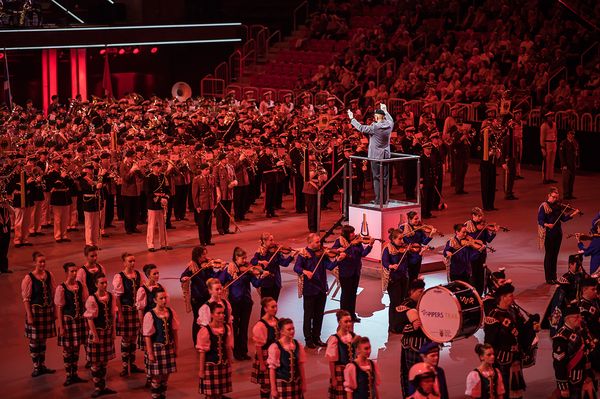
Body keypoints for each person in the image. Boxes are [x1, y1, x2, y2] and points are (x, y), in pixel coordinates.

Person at [294, 233, 345, 348]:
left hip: (321, 288)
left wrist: (338, 259)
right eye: (317, 242)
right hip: (310, 289)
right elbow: (296, 267)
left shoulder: (322, 253)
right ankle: (308, 339)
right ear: (310, 242)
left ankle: (317, 337)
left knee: (319, 315)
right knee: (308, 315)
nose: (319, 244)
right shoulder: (303, 254)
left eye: (319, 241)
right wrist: (305, 271)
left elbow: (330, 266)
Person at [219, 246, 264, 360]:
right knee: (235, 327)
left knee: (244, 327)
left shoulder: (248, 270)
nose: (245, 261)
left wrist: (262, 277)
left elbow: (256, 284)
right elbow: (220, 281)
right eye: (242, 258)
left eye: (245, 258)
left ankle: (244, 351)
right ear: (236, 257)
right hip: (234, 302)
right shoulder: (229, 269)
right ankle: (236, 352)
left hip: (246, 302)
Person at [483, 283, 526, 399]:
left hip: (516, 358)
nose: (513, 298)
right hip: (502, 360)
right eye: (510, 296)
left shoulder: (513, 311)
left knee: (516, 391)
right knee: (503, 390)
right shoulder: (493, 316)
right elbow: (489, 342)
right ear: (502, 298)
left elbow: (521, 329)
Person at [348, 103, 393, 205]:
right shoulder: (390, 124)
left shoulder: (375, 127)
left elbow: (361, 128)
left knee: (377, 178)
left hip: (376, 156)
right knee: (385, 178)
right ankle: (385, 199)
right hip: (386, 155)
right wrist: (385, 111)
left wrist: (352, 119)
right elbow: (390, 119)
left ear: (376, 117)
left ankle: (378, 200)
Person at [552, 301, 597, 399]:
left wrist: (589, 374)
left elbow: (588, 352)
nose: (580, 319)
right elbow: (559, 364)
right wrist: (563, 387)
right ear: (568, 319)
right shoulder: (561, 337)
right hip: (571, 380)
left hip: (584, 377)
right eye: (577, 317)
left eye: (580, 317)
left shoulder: (580, 331)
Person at [22, 251, 56, 377]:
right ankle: (36, 366)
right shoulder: (29, 278)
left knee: (43, 340)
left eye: (44, 261)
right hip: (35, 312)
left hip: (47, 311)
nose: (42, 264)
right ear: (35, 263)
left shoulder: (49, 275)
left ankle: (42, 364)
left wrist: (54, 311)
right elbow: (26, 299)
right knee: (34, 340)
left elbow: (53, 294)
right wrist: (29, 315)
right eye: (40, 262)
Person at [537, 187, 580, 284]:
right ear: (549, 195)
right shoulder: (544, 206)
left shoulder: (557, 206)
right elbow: (540, 220)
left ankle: (554, 276)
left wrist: (574, 214)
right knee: (549, 255)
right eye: (554, 197)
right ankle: (548, 278)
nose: (555, 200)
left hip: (557, 234)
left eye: (557, 198)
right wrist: (547, 224)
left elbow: (563, 219)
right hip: (549, 234)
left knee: (555, 255)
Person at [84, 273, 117, 398]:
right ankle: (98, 387)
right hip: (97, 332)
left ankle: (103, 386)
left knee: (104, 361)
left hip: (107, 332)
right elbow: (90, 319)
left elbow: (113, 315)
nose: (104, 285)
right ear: (96, 284)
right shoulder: (92, 299)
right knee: (95, 362)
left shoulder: (111, 297)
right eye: (101, 283)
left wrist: (113, 331)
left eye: (105, 282)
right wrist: (94, 334)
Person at [181, 246, 222, 344]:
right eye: (203, 254)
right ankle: (197, 341)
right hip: (197, 297)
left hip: (206, 296)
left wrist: (217, 269)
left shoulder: (207, 264)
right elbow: (183, 276)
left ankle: (207, 339)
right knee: (197, 319)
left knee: (208, 317)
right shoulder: (192, 266)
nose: (205, 256)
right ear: (198, 256)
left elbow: (212, 276)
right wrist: (184, 278)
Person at [55, 262, 88, 386]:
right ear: (66, 273)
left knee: (77, 348)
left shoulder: (81, 285)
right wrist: (61, 326)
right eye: (72, 271)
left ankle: (75, 374)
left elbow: (85, 302)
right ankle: (69, 375)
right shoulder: (62, 288)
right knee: (68, 350)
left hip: (79, 320)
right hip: (68, 321)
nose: (74, 273)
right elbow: (59, 307)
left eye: (75, 271)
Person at [331, 226, 373, 322]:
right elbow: (334, 251)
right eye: (351, 233)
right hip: (345, 272)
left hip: (355, 271)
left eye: (353, 232)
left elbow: (362, 254)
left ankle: (352, 315)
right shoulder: (339, 241)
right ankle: (343, 317)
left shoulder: (357, 242)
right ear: (346, 234)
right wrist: (350, 245)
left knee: (353, 294)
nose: (354, 234)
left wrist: (370, 245)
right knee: (346, 295)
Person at [113, 252, 145, 376]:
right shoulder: (120, 277)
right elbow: (117, 297)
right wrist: (120, 313)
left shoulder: (138, 275)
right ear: (124, 262)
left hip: (135, 310)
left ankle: (132, 363)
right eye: (130, 261)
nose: (132, 263)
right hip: (125, 311)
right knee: (126, 338)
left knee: (134, 338)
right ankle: (125, 366)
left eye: (133, 261)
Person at [143, 288, 179, 399]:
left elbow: (174, 331)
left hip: (168, 348)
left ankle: (162, 395)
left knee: (166, 375)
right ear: (155, 300)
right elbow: (148, 336)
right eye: (161, 298)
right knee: (156, 377)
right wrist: (150, 353)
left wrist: (176, 348)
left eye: (165, 298)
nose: (164, 300)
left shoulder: (170, 312)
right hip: (157, 348)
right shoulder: (150, 315)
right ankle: (156, 396)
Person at [398, 279, 430, 397]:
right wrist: (412, 327)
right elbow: (397, 326)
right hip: (413, 346)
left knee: (427, 376)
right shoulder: (405, 305)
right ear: (412, 291)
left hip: (427, 345)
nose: (422, 294)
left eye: (423, 291)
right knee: (413, 376)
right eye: (420, 291)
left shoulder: (426, 303)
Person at [197, 302, 234, 399]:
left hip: (223, 364)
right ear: (212, 314)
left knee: (219, 392)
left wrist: (230, 361)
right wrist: (201, 370)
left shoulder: (226, 328)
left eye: (223, 313)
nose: (222, 315)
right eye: (218, 313)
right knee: (210, 394)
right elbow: (202, 352)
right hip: (211, 366)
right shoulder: (205, 330)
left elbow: (227, 346)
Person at [267, 318, 307, 399]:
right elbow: (272, 369)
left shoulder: (297, 345)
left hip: (296, 383)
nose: (292, 331)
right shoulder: (275, 347)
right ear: (281, 331)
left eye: (293, 328)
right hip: (282, 384)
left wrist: (304, 383)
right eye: (289, 329)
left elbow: (300, 366)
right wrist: (273, 389)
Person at [251, 233, 295, 304]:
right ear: (264, 241)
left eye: (273, 240)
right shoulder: (260, 252)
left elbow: (284, 263)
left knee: (274, 304)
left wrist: (291, 256)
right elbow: (253, 261)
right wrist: (261, 261)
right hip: (265, 283)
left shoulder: (276, 251)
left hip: (276, 282)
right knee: (265, 306)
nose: (273, 242)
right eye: (271, 240)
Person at [382, 228, 410, 334]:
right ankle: (393, 325)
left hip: (403, 277)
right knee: (395, 302)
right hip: (393, 279)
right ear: (393, 239)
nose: (402, 241)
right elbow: (385, 261)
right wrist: (391, 265)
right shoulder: (388, 249)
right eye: (400, 239)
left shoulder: (404, 248)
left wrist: (419, 253)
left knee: (402, 301)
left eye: (403, 238)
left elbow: (411, 261)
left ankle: (401, 323)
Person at [464, 207, 498, 294]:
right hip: (472, 253)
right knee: (473, 273)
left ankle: (480, 292)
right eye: (478, 216)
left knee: (481, 273)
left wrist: (494, 233)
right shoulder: (467, 226)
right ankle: (474, 293)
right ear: (473, 216)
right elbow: (464, 239)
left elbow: (488, 240)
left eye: (481, 216)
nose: (480, 218)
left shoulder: (483, 226)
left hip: (482, 252)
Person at [251, 297, 279, 399]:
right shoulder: (260, 325)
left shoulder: (276, 321)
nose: (275, 309)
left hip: (276, 355)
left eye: (276, 306)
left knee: (276, 382)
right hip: (265, 356)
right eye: (272, 307)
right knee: (266, 385)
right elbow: (259, 346)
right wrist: (262, 363)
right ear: (265, 308)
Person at [326, 310, 356, 399]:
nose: (348, 324)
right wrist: (334, 378)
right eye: (346, 321)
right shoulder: (334, 339)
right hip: (340, 373)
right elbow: (331, 361)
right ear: (339, 322)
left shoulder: (352, 336)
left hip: (352, 372)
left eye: (350, 321)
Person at [399, 211, 436, 283]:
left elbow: (424, 242)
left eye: (418, 218)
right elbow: (403, 240)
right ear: (409, 219)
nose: (418, 221)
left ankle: (413, 289)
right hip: (408, 253)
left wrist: (431, 235)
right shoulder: (403, 227)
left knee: (415, 273)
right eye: (415, 219)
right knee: (408, 274)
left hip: (418, 253)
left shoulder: (420, 229)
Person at [145, 160, 171, 252]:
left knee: (162, 225)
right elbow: (148, 193)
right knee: (151, 225)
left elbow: (167, 189)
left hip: (162, 204)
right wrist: (160, 199)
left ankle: (164, 243)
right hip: (153, 204)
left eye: (160, 166)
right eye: (157, 166)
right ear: (153, 167)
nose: (159, 168)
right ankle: (150, 244)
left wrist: (166, 198)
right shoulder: (149, 177)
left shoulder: (163, 176)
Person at [192, 163, 216, 246]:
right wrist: (197, 206)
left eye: (208, 169)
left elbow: (214, 191)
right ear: (202, 170)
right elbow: (195, 194)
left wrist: (214, 203)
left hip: (210, 204)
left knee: (208, 223)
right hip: (202, 205)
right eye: (206, 170)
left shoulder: (212, 178)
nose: (208, 171)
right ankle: (202, 241)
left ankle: (208, 240)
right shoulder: (197, 179)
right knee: (201, 224)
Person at [579, 277, 600, 374]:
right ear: (584, 290)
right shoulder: (582, 308)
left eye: (596, 289)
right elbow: (584, 329)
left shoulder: (594, 301)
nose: (595, 291)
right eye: (593, 289)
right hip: (593, 344)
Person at [559, 130, 579, 200]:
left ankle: (570, 194)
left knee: (571, 180)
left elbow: (577, 154)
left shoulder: (575, 142)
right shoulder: (563, 143)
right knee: (566, 180)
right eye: (571, 134)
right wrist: (563, 164)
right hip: (566, 165)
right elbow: (561, 155)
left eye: (573, 134)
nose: (572, 135)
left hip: (573, 164)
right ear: (567, 134)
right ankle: (566, 194)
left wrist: (577, 163)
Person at [540, 111, 558, 184]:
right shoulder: (544, 126)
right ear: (546, 118)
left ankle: (551, 177)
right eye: (549, 116)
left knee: (552, 162)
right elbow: (542, 138)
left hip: (553, 143)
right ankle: (545, 178)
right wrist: (542, 147)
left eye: (552, 116)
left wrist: (555, 141)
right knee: (546, 162)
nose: (551, 118)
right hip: (547, 143)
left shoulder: (554, 124)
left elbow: (556, 133)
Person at [0, 196, 14, 274]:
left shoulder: (5, 205)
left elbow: (13, 212)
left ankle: (4, 267)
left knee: (5, 248)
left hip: (6, 229)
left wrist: (7, 205)